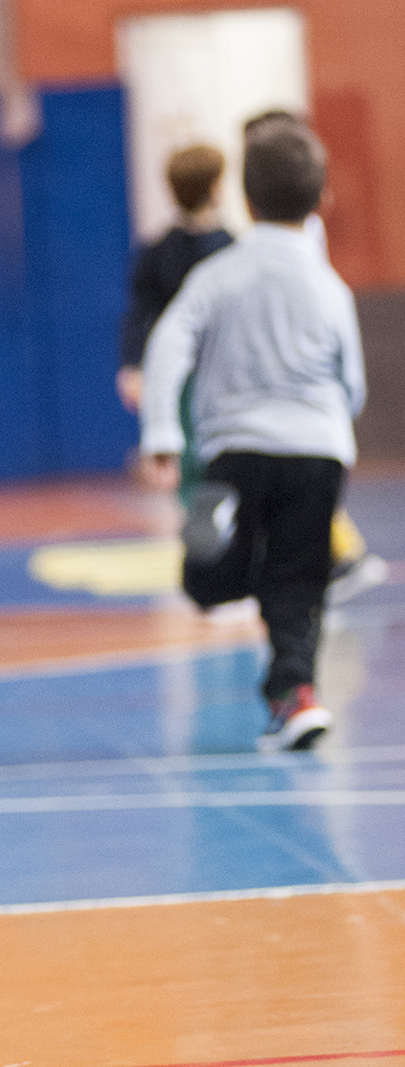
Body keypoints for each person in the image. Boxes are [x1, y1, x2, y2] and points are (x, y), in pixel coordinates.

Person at [139, 118, 366, 752]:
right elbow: (351, 383)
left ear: (246, 198)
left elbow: (167, 345)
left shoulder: (217, 277)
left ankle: (239, 563)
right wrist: (331, 424)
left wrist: (163, 431)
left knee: (204, 577)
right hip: (318, 454)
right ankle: (295, 692)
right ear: (321, 201)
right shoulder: (331, 287)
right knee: (300, 583)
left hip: (234, 454)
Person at [241, 109, 385, 606]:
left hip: (299, 380)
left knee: (298, 479)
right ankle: (328, 559)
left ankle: (339, 558)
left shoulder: (299, 238)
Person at [117, 143, 234, 505]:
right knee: (192, 455)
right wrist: (133, 364)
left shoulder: (228, 247)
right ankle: (200, 522)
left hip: (214, 369)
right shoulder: (169, 251)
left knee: (214, 452)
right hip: (189, 371)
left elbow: (138, 311)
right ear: (215, 187)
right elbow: (141, 312)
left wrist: (132, 364)